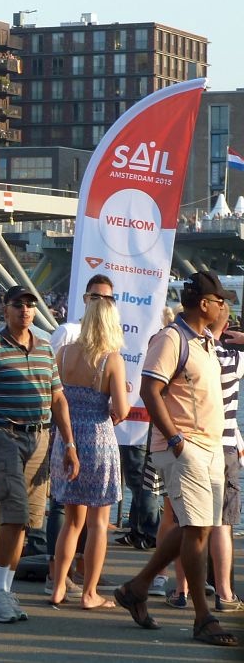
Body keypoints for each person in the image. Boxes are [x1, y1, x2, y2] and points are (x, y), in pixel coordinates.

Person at [114, 271, 238, 647]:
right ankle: (203, 617)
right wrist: (175, 438)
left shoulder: (203, 341)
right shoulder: (173, 338)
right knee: (198, 529)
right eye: (219, 301)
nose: (223, 307)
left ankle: (136, 588)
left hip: (210, 448)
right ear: (205, 304)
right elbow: (150, 390)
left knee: (192, 527)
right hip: (185, 449)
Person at [0, 285, 79, 624]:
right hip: (4, 434)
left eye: (29, 305)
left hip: (40, 436)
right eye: (18, 305)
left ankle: (4, 588)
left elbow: (58, 400)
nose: (25, 311)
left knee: (27, 520)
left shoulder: (43, 350)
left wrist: (69, 444)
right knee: (14, 514)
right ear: (5, 309)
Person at [48, 289, 129, 609]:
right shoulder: (112, 359)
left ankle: (57, 588)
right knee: (98, 523)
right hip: (98, 438)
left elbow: (54, 396)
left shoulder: (64, 353)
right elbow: (121, 410)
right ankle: (90, 592)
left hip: (67, 438)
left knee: (71, 521)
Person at [210, 301, 244, 612]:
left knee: (185, 522)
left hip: (193, 443)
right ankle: (224, 592)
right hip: (225, 445)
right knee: (223, 523)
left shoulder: (196, 350)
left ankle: (181, 590)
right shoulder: (235, 357)